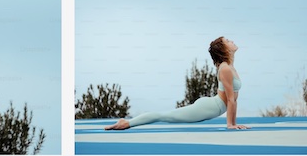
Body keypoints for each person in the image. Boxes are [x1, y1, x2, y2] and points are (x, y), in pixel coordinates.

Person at [105, 36, 249, 130]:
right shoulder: (225, 69)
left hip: (214, 106)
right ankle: (126, 123)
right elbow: (231, 99)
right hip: (210, 107)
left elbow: (232, 99)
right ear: (224, 49)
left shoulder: (229, 67)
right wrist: (231, 125)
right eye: (228, 41)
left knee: (166, 115)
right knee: (164, 116)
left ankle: (127, 122)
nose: (232, 41)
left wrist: (233, 124)